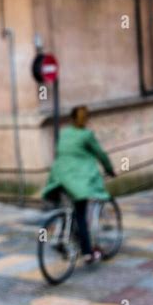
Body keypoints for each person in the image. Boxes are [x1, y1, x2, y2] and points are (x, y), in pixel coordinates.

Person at [42, 105, 116, 264]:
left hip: (59, 176)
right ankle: (88, 253)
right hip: (77, 180)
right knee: (81, 215)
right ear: (85, 119)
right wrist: (110, 169)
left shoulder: (64, 133)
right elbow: (100, 154)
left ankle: (60, 236)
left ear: (71, 118)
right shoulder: (87, 135)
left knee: (67, 210)